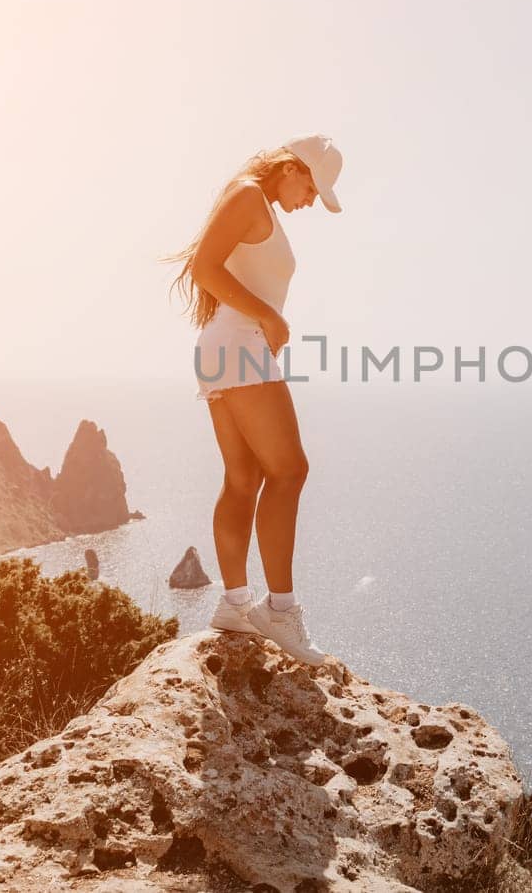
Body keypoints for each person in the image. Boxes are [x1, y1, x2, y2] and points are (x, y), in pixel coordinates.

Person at [162, 134, 345, 666]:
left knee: (244, 480)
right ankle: (280, 611)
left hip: (227, 349)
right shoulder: (247, 194)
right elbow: (205, 267)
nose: (311, 199)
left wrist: (263, 320)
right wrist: (270, 316)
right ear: (289, 168)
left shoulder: (255, 203)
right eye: (310, 186)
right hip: (239, 346)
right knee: (289, 471)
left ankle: (235, 604)